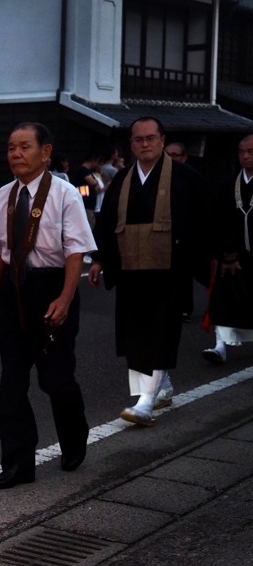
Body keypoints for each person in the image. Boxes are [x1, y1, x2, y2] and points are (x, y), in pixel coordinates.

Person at [0, 122, 95, 489]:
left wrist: (65, 297)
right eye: (11, 147)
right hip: (14, 292)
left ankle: (75, 438)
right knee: (11, 381)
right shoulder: (3, 196)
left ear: (45, 152)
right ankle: (17, 465)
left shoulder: (65, 194)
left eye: (24, 146)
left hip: (51, 288)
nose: (16, 154)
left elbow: (76, 249)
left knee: (55, 379)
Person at [87, 117, 210, 425]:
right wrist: (100, 258)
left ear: (162, 140)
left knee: (158, 332)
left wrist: (213, 257)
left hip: (169, 270)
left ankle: (145, 401)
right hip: (130, 269)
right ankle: (161, 387)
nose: (145, 144)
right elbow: (106, 221)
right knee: (135, 334)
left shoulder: (185, 177)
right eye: (138, 139)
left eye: (151, 138)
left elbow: (204, 220)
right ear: (131, 144)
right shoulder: (123, 178)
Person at [201, 133, 253, 364]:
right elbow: (216, 220)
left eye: (251, 152)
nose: (245, 156)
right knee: (224, 302)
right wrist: (226, 253)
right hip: (232, 256)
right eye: (242, 152)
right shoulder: (227, 184)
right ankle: (220, 346)